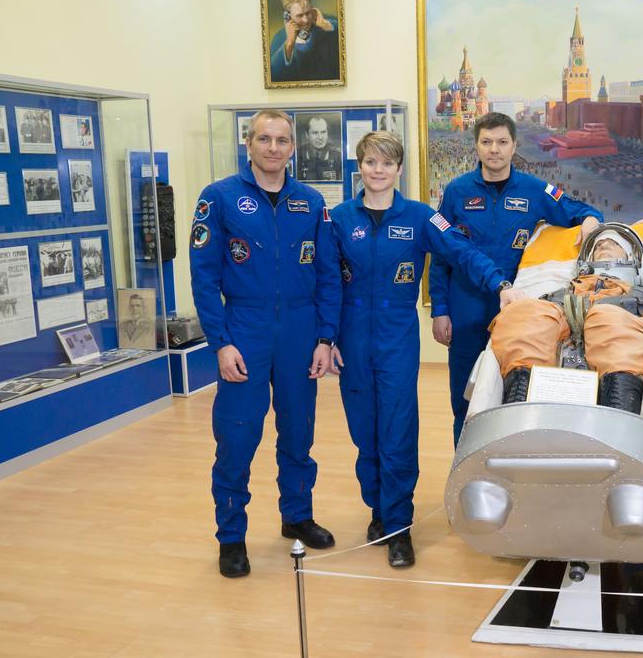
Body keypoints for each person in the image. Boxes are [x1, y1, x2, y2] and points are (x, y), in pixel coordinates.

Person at [327, 130, 517, 568]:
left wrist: (500, 284)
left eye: (387, 163)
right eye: (370, 162)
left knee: (396, 429)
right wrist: (325, 337)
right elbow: (323, 281)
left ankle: (398, 526)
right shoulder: (338, 220)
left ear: (398, 170)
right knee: (364, 432)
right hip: (352, 337)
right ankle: (377, 510)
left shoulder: (419, 218)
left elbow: (463, 251)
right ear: (360, 166)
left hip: (395, 335)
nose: (378, 171)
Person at [189, 108, 342, 578]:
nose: (273, 148)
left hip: (299, 334)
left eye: (281, 140)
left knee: (298, 433)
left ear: (292, 147)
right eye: (264, 139)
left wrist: (324, 337)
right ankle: (231, 537)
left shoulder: (310, 202)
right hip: (245, 332)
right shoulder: (219, 199)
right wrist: (221, 342)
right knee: (237, 437)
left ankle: (296, 516)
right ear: (248, 144)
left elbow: (327, 275)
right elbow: (203, 276)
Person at [429, 111, 604, 444]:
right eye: (486, 142)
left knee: (514, 398)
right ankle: (466, 476)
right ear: (477, 147)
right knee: (465, 402)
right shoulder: (456, 192)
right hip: (465, 309)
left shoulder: (536, 190)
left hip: (517, 315)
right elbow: (441, 255)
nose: (494, 149)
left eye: (502, 142)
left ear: (513, 146)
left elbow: (579, 209)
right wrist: (440, 309)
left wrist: (591, 221)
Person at [489, 224, 643, 413]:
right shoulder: (559, 296)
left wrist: (637, 327)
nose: (604, 247)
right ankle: (518, 407)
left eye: (614, 244)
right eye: (599, 245)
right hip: (551, 373)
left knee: (606, 318)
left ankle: (620, 413)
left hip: (627, 388)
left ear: (634, 257)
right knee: (523, 312)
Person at [269, 0, 340, 83]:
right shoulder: (279, 38)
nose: (306, 20)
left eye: (308, 13)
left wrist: (327, 26)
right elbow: (273, 76)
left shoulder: (325, 24)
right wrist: (289, 44)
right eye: (299, 16)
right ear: (288, 16)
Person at [296, 115, 343, 181]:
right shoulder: (298, 155)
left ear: (327, 133)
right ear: (307, 135)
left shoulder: (338, 156)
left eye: (323, 132)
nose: (320, 137)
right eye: (315, 133)